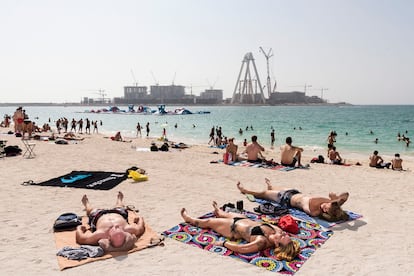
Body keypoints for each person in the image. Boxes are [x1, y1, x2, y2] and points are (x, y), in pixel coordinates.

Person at [180, 201, 300, 261]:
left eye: (284, 237)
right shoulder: (277, 231)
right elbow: (280, 227)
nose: (284, 234)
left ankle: (189, 219)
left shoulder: (261, 241)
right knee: (225, 213)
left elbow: (242, 249)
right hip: (243, 219)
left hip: (232, 228)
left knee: (209, 222)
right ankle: (219, 212)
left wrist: (222, 243)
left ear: (277, 244)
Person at [237, 179, 349, 222]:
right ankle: (271, 186)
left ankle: (245, 190)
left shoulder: (314, 211)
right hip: (295, 192)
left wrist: (334, 200)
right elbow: (346, 195)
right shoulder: (330, 203)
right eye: (327, 207)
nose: (324, 208)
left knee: (262, 194)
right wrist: (336, 200)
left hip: (284, 198)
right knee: (275, 188)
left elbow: (317, 211)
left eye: (325, 211)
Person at [76, 192, 145, 252]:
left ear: (108, 237)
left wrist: (79, 229)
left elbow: (81, 239)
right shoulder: (128, 229)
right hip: (119, 214)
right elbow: (140, 228)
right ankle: (119, 199)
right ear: (125, 233)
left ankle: (86, 203)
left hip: (98, 216)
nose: (116, 226)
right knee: (120, 206)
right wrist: (139, 219)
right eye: (118, 228)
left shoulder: (101, 234)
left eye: (115, 229)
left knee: (90, 210)